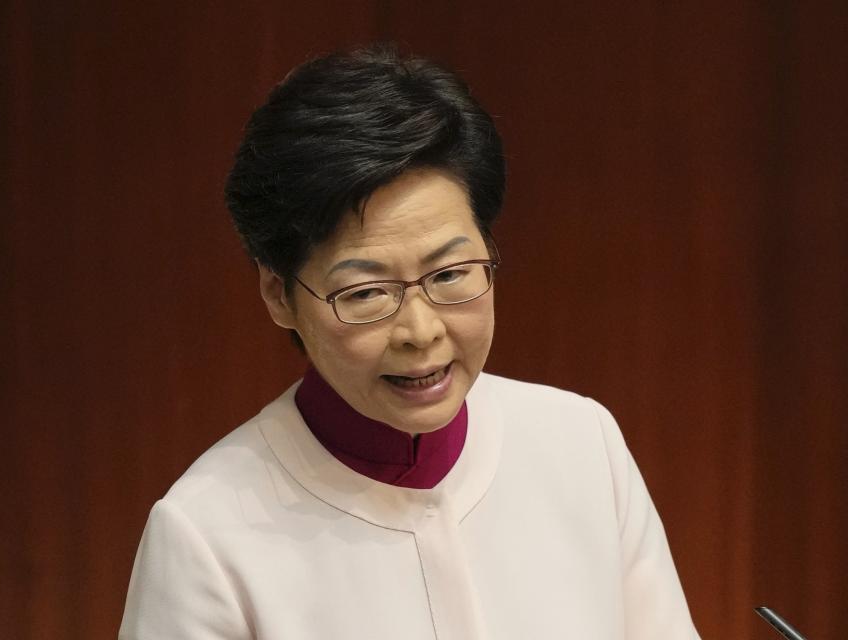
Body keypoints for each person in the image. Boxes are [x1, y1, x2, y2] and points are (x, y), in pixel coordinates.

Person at [119, 45, 700, 639]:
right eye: (367, 292)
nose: (421, 332)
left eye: (450, 275)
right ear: (278, 293)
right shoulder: (205, 533)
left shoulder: (581, 445)